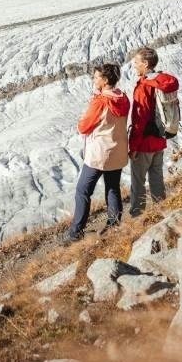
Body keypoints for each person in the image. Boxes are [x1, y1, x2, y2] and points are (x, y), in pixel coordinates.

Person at [64, 62, 131, 243]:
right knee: (113, 188)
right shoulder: (123, 98)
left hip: (99, 154)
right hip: (118, 151)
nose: (94, 80)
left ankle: (75, 232)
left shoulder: (100, 102)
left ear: (105, 79)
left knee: (82, 191)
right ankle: (114, 225)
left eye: (96, 77)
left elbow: (84, 127)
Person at [128, 46, 179, 217]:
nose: (134, 65)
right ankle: (162, 212)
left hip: (144, 143)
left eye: (136, 62)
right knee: (157, 179)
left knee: (138, 182)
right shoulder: (160, 81)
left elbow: (139, 117)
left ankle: (137, 217)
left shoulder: (144, 86)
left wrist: (133, 146)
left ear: (145, 63)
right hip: (160, 139)